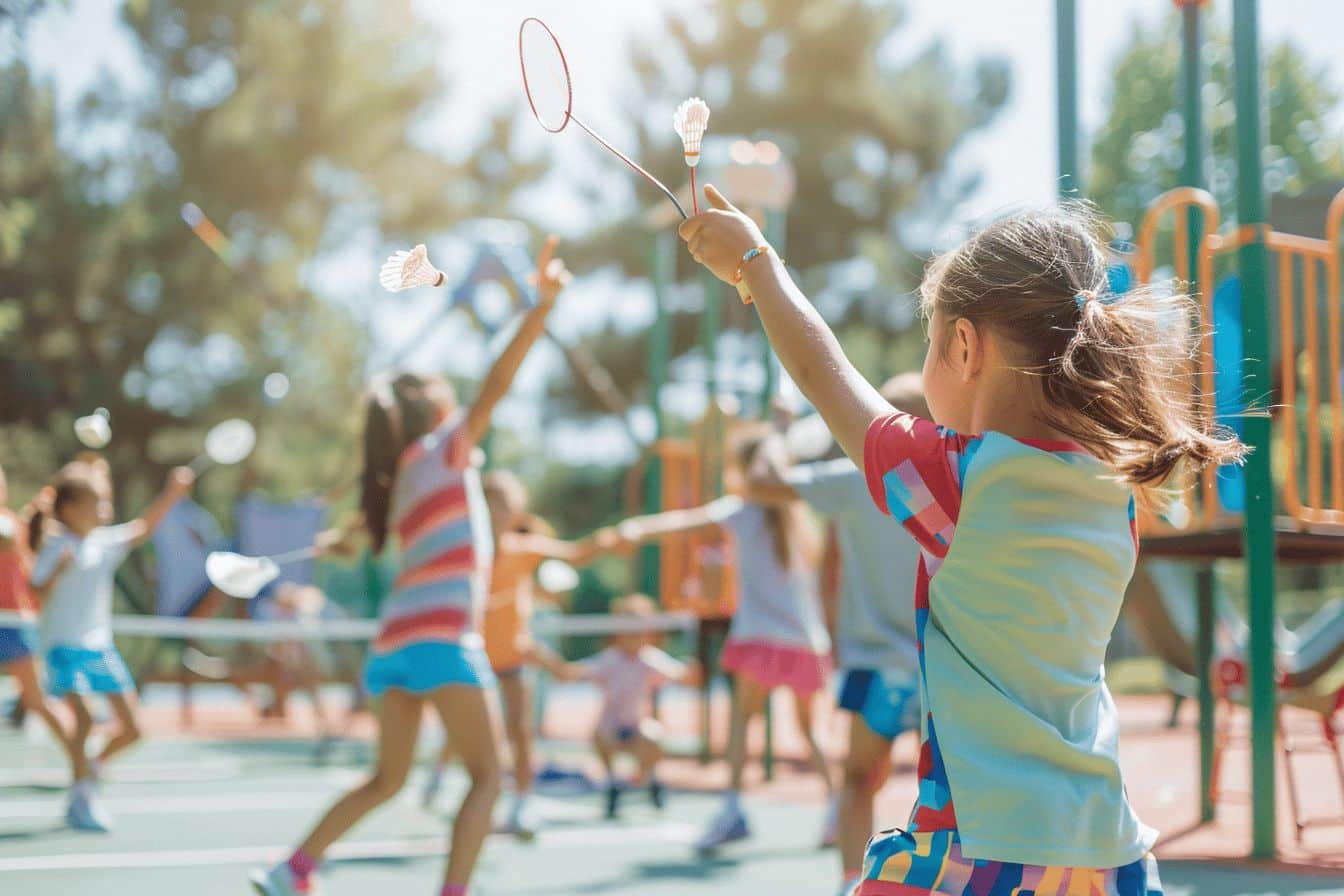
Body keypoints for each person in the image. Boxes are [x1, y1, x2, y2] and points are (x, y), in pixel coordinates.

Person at [680, 190, 1246, 894]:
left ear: (965, 346)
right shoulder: (1114, 491)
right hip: (1106, 848)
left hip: (982, 843)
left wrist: (758, 267)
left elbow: (826, 380)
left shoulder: (961, 479)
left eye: (929, 340)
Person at [251, 237, 570, 896]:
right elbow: (500, 382)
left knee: (386, 779)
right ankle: (454, 891)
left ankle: (292, 870)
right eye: (433, 383)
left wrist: (337, 536)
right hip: (443, 639)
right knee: (489, 776)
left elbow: (351, 538)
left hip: (392, 644)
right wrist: (540, 307)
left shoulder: (395, 482)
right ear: (431, 410)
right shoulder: (444, 450)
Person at [746, 374, 926, 896]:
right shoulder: (956, 474)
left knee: (857, 782)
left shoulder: (857, 479)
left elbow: (761, 481)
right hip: (943, 662)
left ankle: (853, 883)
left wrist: (779, 429)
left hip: (877, 666)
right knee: (948, 794)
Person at [613, 429, 835, 852]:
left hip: (761, 637)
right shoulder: (799, 515)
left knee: (740, 726)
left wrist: (638, 529)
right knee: (813, 732)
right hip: (807, 640)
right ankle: (836, 810)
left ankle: (733, 809)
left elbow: (685, 523)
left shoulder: (742, 509)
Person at [422, 470, 607, 840]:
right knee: (464, 736)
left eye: (506, 504)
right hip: (472, 659)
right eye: (491, 502)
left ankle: (523, 802)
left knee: (521, 731)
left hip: (514, 659)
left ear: (517, 512)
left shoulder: (525, 550)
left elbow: (576, 552)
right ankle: (438, 777)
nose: (498, 511)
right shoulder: (467, 551)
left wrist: (609, 539)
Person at [29, 460, 197, 832]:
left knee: (134, 729)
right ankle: (81, 794)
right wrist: (59, 569)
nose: (105, 510)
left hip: (99, 647)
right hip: (63, 646)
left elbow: (145, 528)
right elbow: (37, 589)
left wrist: (172, 492)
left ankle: (91, 767)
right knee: (85, 718)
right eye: (97, 503)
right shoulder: (57, 546)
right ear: (70, 509)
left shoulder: (104, 543)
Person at [538, 593, 699, 819]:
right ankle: (613, 782)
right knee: (600, 733)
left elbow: (683, 676)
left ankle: (647, 778)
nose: (634, 634)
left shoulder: (651, 659)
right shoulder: (609, 660)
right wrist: (543, 657)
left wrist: (693, 669)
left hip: (637, 726)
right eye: (629, 627)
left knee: (654, 737)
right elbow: (568, 673)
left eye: (640, 627)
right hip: (612, 727)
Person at [0, 467, 86, 806]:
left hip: (13, 622)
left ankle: (81, 763)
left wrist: (35, 512)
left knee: (37, 701)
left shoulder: (9, 524)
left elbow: (6, 538)